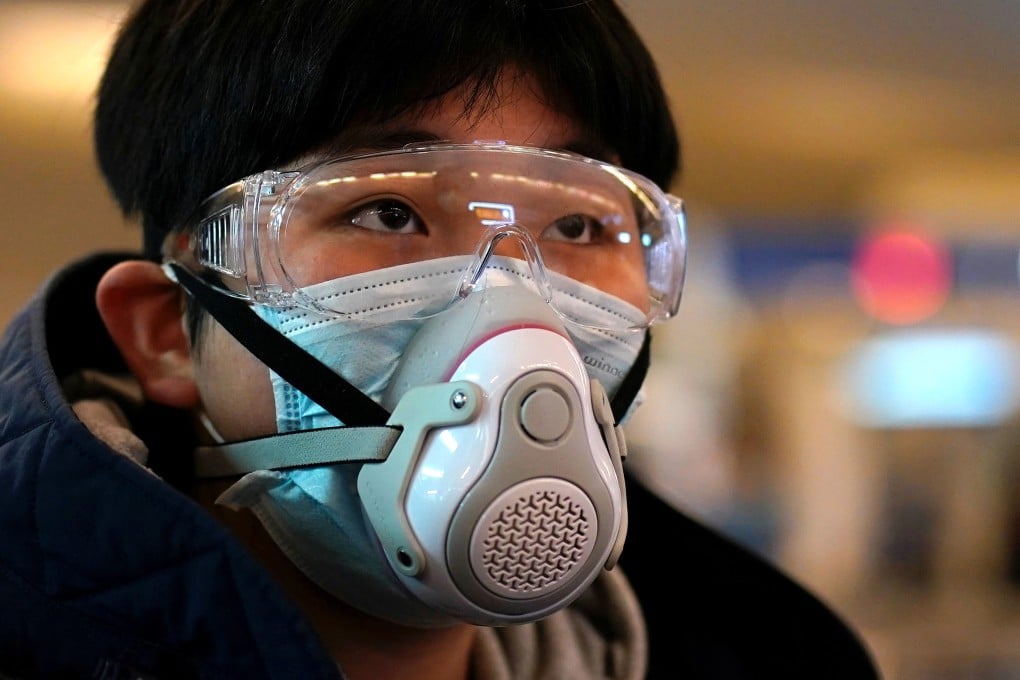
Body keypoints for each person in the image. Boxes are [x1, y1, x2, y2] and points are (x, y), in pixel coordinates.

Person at [0, 1, 880, 678]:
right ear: (165, 336)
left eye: (576, 225)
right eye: (388, 210)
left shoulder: (771, 656)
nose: (511, 302)